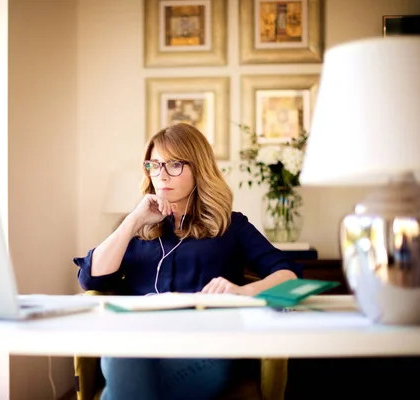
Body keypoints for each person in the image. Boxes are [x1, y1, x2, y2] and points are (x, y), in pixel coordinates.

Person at [73, 123, 302, 400]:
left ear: (199, 168)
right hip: (139, 342)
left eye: (174, 165)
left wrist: (243, 291)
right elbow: (91, 278)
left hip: (205, 349)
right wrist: (132, 221)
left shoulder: (231, 226)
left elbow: (289, 276)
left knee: (123, 361)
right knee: (123, 350)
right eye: (154, 165)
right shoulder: (137, 229)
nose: (162, 175)